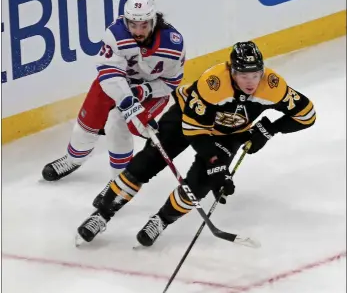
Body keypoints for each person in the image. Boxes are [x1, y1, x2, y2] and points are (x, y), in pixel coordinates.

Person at [75, 41, 316, 247]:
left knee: (200, 184)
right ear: (232, 71)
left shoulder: (273, 86)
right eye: (244, 75)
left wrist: (269, 129)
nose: (250, 82)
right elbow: (193, 130)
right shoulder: (213, 83)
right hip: (186, 119)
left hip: (228, 133)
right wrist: (214, 162)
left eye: (255, 74)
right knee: (147, 164)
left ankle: (160, 220)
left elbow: (307, 116)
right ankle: (103, 214)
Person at [41, 0, 185, 206]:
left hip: (152, 91)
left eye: (143, 25)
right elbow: (108, 74)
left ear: (153, 20)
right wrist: (128, 101)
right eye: (133, 24)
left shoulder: (172, 45)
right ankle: (74, 159)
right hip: (117, 84)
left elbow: (171, 82)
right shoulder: (115, 34)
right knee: (87, 123)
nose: (137, 31)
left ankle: (118, 182)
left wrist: (144, 92)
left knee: (118, 123)